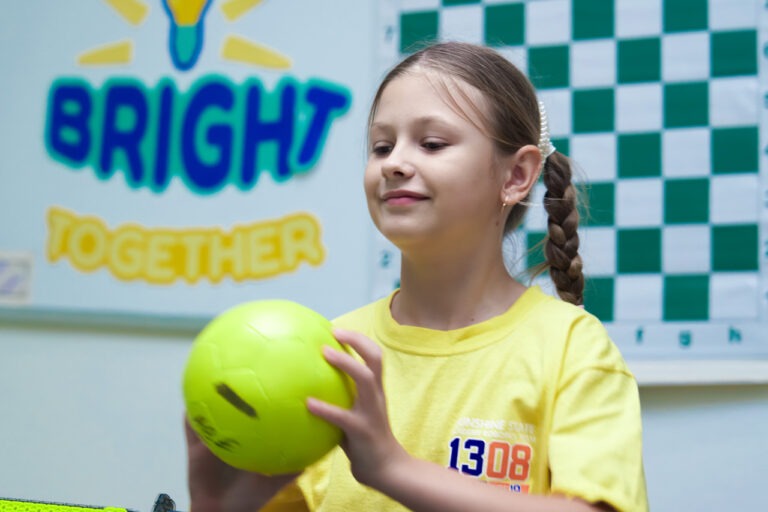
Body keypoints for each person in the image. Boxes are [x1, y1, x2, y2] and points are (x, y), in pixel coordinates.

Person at [185, 41, 648, 512]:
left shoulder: (572, 348)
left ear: (516, 175)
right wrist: (215, 505)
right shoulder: (332, 353)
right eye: (381, 146)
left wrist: (392, 468)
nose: (393, 163)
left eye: (431, 144)